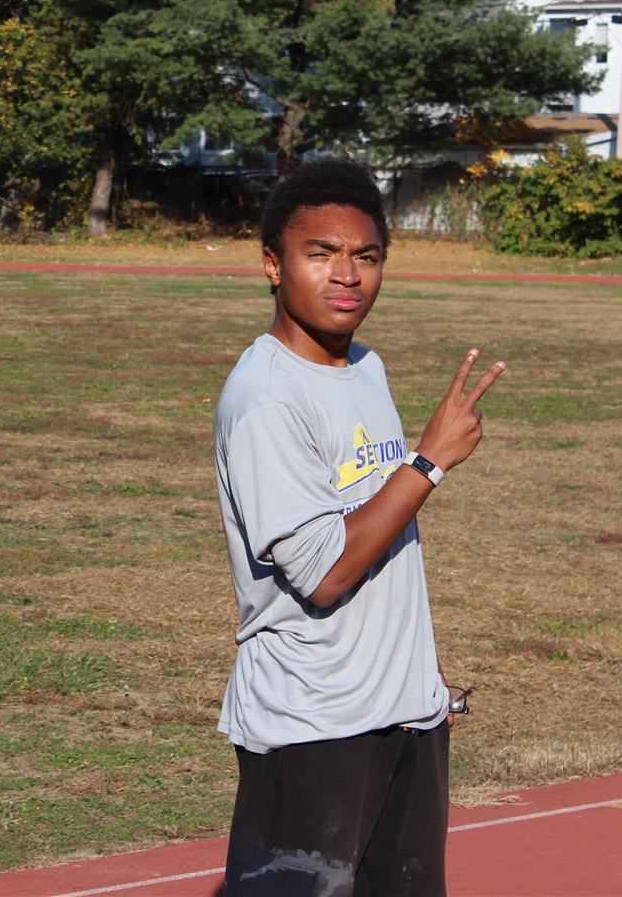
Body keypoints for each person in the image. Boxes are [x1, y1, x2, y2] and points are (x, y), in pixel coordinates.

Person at [213, 158, 505, 896]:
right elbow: (325, 571)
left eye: (366, 257)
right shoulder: (267, 398)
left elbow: (379, 525)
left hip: (403, 714)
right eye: (321, 254)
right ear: (272, 264)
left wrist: (417, 671)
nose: (347, 275)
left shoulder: (363, 368)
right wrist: (429, 462)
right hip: (315, 726)